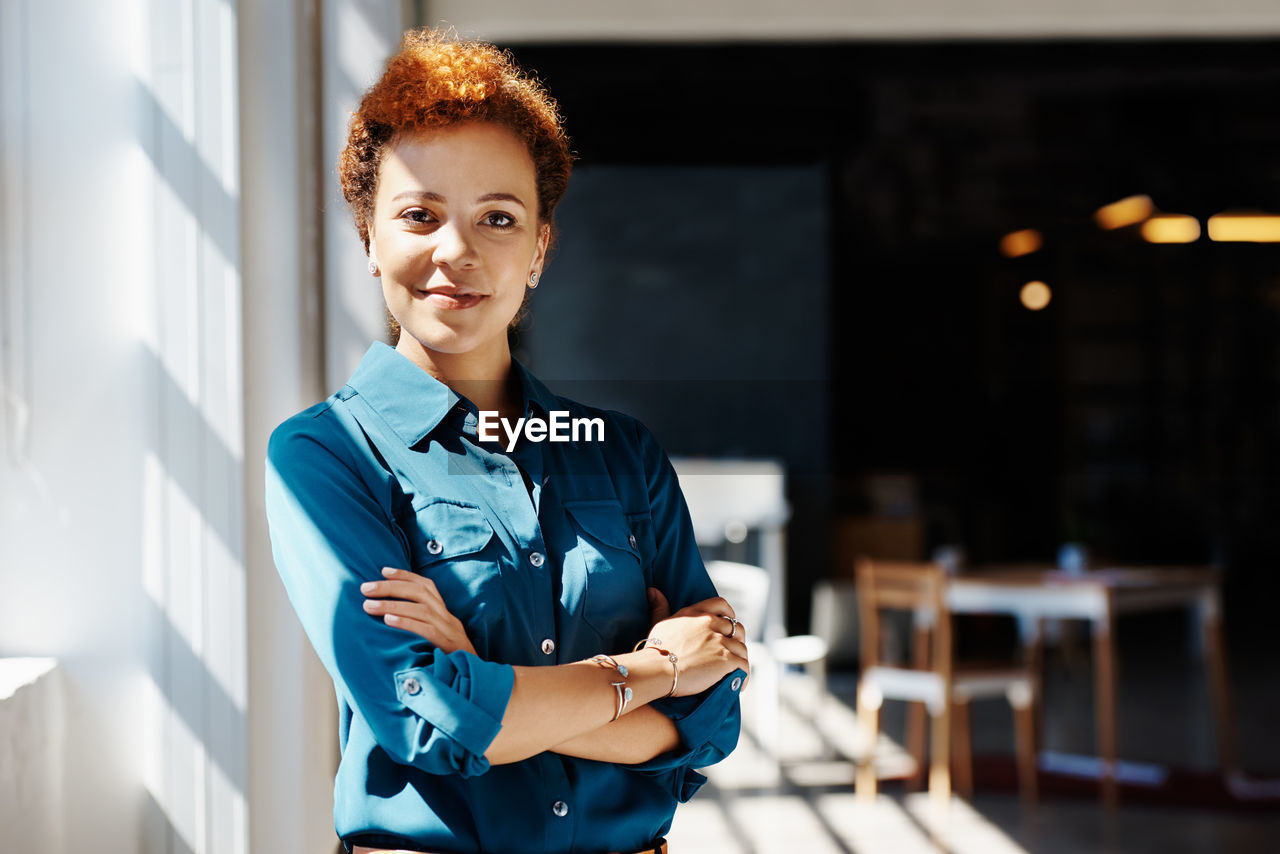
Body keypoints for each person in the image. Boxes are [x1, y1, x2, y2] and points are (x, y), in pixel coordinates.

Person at [264, 28, 750, 854]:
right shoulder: (326, 455)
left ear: (538, 251)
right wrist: (658, 673)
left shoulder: (622, 455)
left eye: (498, 217)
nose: (456, 251)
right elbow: (432, 724)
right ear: (368, 236)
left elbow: (709, 727)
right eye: (419, 214)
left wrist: (495, 693)